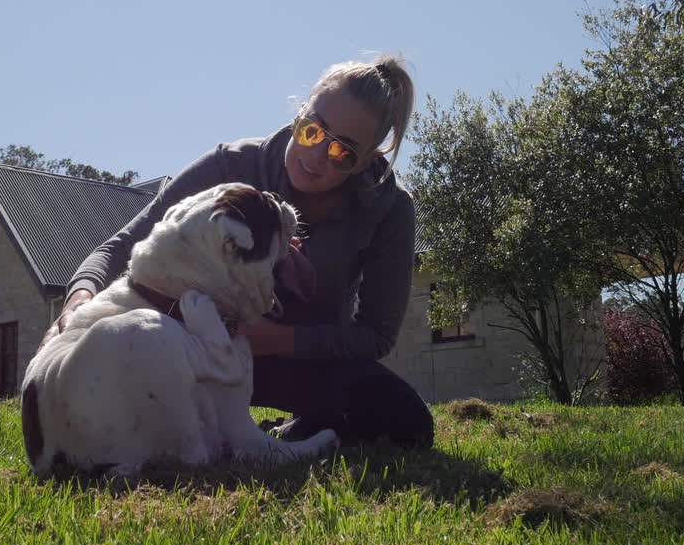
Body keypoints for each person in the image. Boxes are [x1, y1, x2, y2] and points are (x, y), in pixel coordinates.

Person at [55, 56, 434, 449]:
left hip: (299, 367)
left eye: (343, 153)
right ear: (299, 113)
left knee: (406, 420)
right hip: (193, 349)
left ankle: (297, 429)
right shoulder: (229, 166)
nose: (316, 156)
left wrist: (273, 339)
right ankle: (212, 426)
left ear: (368, 162)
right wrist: (79, 298)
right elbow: (124, 244)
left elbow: (376, 335)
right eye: (312, 131)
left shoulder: (390, 209)